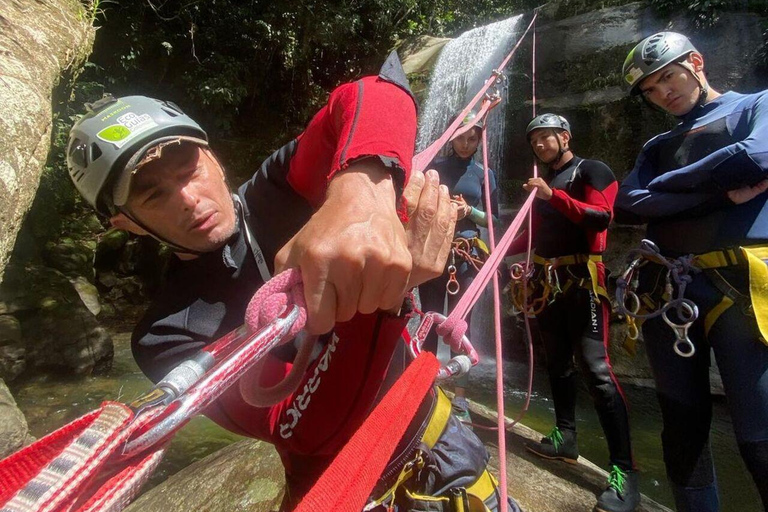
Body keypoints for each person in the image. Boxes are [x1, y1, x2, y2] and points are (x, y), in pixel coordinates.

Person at [65, 54, 520, 512]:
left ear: (213, 159)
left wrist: (359, 193)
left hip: (438, 441)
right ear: (126, 223)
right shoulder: (166, 333)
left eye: (189, 168)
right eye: (153, 194)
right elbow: (301, 427)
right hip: (341, 491)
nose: (188, 198)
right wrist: (384, 297)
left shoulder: (281, 188)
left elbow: (375, 92)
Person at [616, 32, 768, 511]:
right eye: (653, 89)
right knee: (681, 430)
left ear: (696, 62)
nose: (664, 93)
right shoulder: (657, 144)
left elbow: (756, 157)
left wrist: (666, 193)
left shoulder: (757, 105)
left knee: (759, 433)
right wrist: (720, 194)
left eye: (669, 77)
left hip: (742, 285)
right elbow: (628, 202)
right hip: (670, 289)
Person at [507, 113, 639, 512]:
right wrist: (482, 229)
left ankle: (624, 473)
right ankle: (565, 437)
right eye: (534, 142)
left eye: (545, 138)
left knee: (596, 369)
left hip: (584, 279)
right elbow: (529, 235)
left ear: (565, 136)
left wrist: (552, 197)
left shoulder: (590, 170)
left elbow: (602, 216)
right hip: (548, 282)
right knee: (557, 363)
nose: (539, 146)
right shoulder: (544, 187)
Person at [418, 112, 499, 426]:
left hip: (466, 256)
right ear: (451, 136)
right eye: (461, 136)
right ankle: (422, 385)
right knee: (429, 317)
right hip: (435, 252)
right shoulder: (434, 168)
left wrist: (470, 211)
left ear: (479, 139)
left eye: (472, 138)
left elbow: (494, 220)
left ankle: (460, 397)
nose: (465, 144)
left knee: (458, 326)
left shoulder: (484, 174)